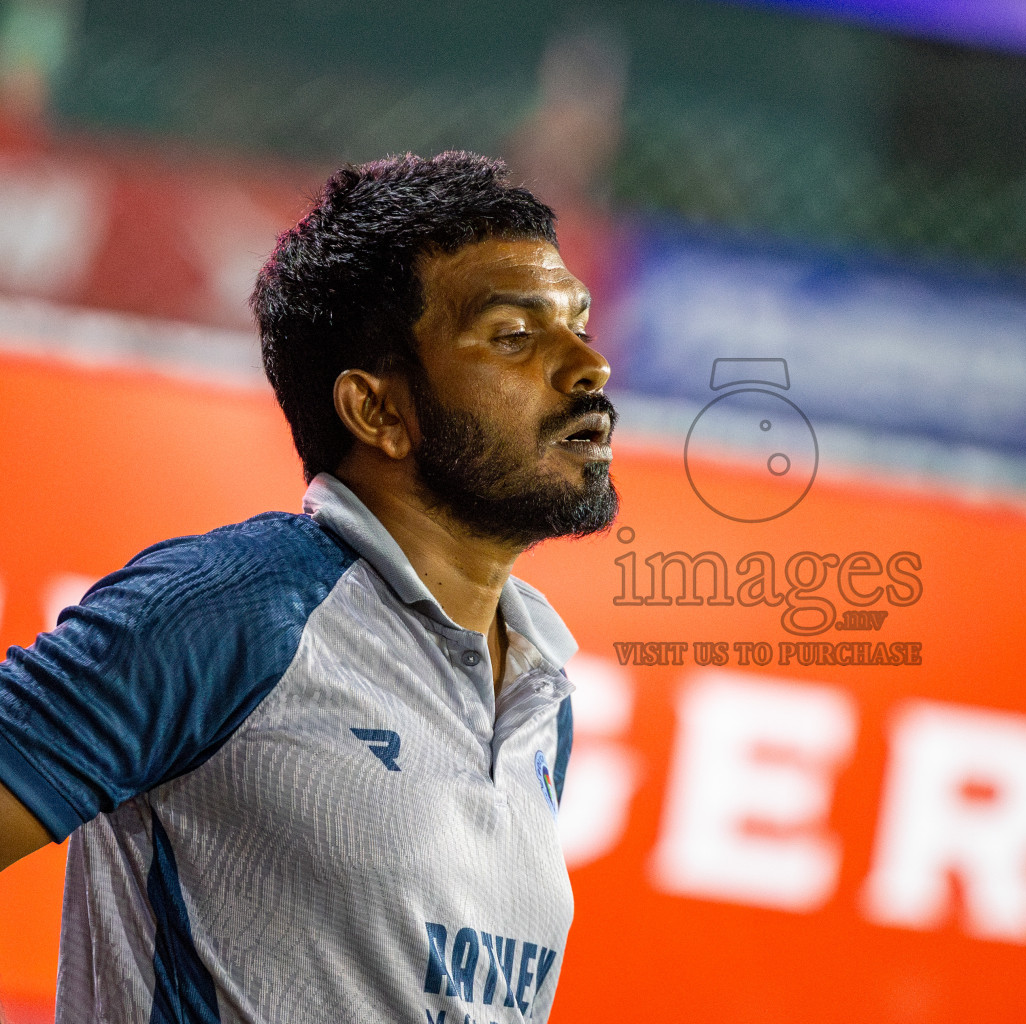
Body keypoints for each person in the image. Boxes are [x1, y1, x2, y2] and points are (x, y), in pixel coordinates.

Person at [0, 150, 617, 1023]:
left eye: (577, 322)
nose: (586, 366)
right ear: (378, 412)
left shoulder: (536, 688)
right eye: (515, 336)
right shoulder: (235, 607)